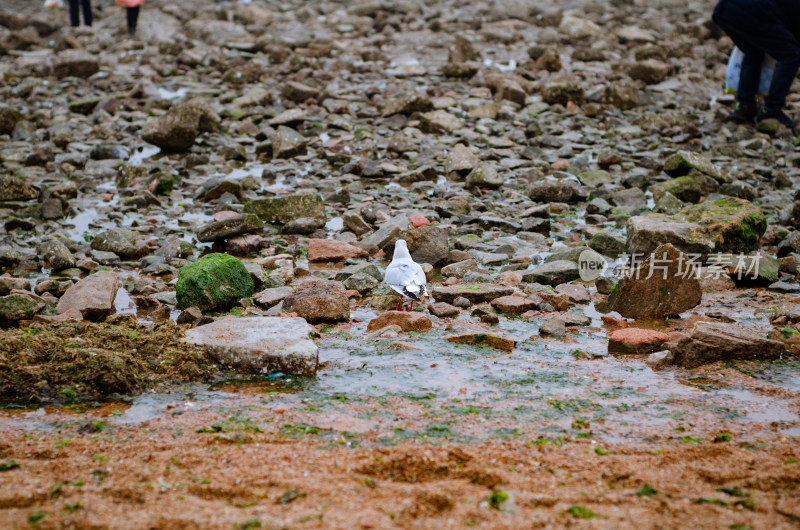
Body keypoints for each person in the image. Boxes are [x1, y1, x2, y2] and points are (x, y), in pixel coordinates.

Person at [713, 0, 800, 129]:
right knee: (791, 55)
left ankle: (744, 106)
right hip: (751, 9)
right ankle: (771, 110)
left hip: (724, 11)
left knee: (753, 51)